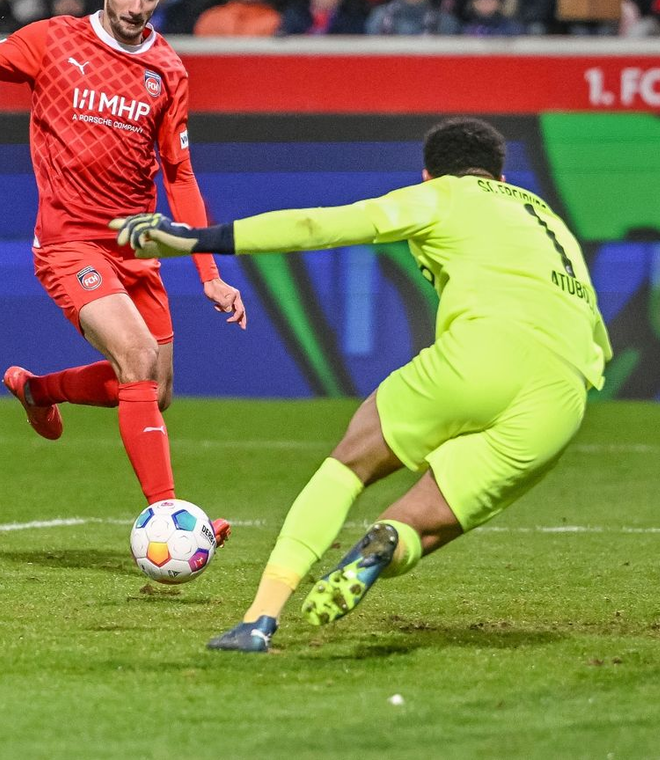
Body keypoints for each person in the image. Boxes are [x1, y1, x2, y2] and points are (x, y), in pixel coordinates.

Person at [111, 116, 610, 653]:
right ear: (499, 172)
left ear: (427, 173)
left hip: (485, 352)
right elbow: (597, 338)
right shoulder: (550, 219)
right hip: (563, 394)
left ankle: (259, 618)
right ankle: (390, 541)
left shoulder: (441, 196)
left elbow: (318, 227)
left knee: (350, 466)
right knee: (426, 525)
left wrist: (193, 240)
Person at [0, 0, 245, 529]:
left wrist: (209, 274)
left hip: (137, 246)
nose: (135, 6)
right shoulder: (52, 41)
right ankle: (169, 518)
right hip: (68, 242)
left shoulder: (168, 70)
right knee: (136, 356)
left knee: (156, 388)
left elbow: (181, 177)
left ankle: (39, 391)